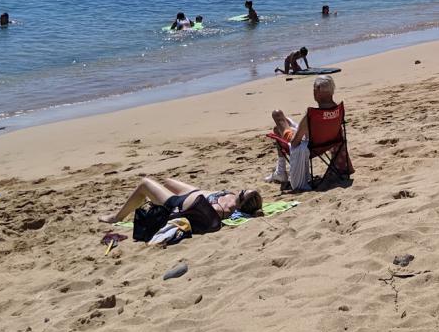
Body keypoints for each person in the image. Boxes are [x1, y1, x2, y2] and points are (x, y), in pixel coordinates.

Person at [268, 75, 347, 189]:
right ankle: (280, 171)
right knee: (279, 128)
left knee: (277, 115)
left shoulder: (312, 115)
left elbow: (295, 143)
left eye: (314, 89)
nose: (313, 92)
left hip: (311, 147)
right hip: (328, 143)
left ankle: (280, 172)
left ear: (318, 91)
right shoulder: (338, 110)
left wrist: (292, 134)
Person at [98, 176, 261, 224]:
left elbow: (190, 216)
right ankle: (147, 200)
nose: (240, 191)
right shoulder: (232, 199)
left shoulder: (221, 210)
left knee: (144, 183)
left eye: (242, 193)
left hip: (178, 202)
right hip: (193, 192)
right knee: (167, 181)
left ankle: (117, 217)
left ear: (241, 203)